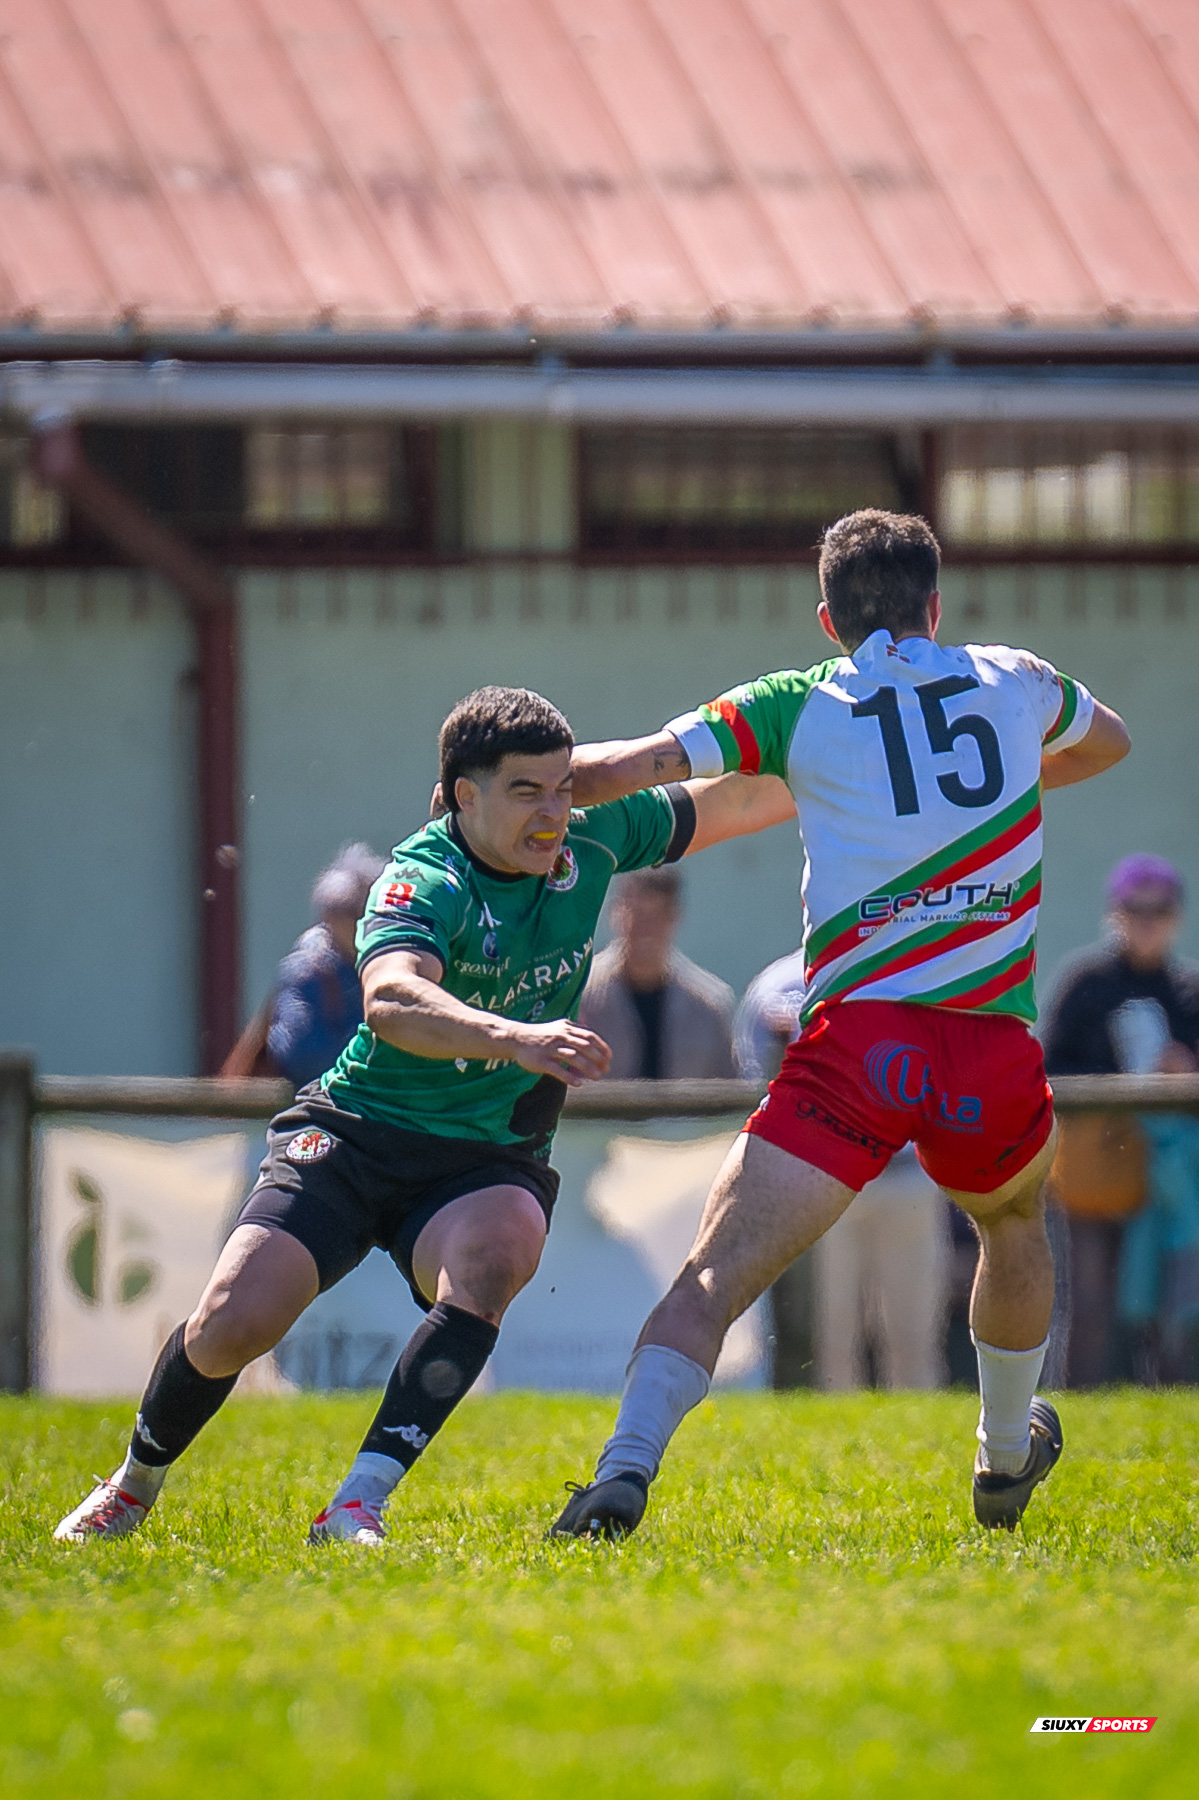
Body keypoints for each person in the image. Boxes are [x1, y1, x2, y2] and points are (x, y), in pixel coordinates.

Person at [54, 685, 791, 1547]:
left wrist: (840, 743)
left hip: (484, 1154)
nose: (553, 813)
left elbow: (740, 796)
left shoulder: (591, 835)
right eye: (527, 792)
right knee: (233, 1320)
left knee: (495, 1256)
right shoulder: (422, 873)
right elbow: (393, 1001)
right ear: (461, 796)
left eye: (563, 788)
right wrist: (515, 1036)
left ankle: (356, 1503)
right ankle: (133, 1483)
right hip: (358, 1135)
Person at [550, 507, 1130, 1541]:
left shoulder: (796, 702)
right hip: (986, 1041)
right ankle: (1001, 1459)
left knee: (712, 1273)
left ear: (826, 619)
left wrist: (502, 795)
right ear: (934, 605)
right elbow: (1110, 742)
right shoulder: (1013, 680)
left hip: (857, 1043)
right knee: (1008, 1229)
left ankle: (623, 1470)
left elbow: (624, 770)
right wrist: (998, 783)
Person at [735, 950, 949, 1392]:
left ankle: (919, 1437)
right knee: (833, 1331)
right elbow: (753, 1076)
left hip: (908, 1169)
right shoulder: (781, 985)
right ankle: (842, 1442)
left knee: (914, 1331)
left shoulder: (909, 968)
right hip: (829, 1172)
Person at [1043, 854, 1199, 1385]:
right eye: (1137, 909)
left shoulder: (1188, 993)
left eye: (1160, 910)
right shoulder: (1086, 986)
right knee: (1088, 1300)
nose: (1148, 920)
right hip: (1096, 1168)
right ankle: (1078, 1408)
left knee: (1167, 1300)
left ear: (1175, 917)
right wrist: (1119, 1072)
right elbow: (1049, 1067)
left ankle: (1166, 1401)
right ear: (1116, 912)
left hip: (1168, 1178)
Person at [580, 866, 736, 1080]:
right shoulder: (581, 996)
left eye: (658, 915)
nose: (646, 928)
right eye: (636, 913)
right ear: (615, 912)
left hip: (683, 1114)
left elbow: (729, 1094)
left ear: (675, 916)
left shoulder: (709, 1005)